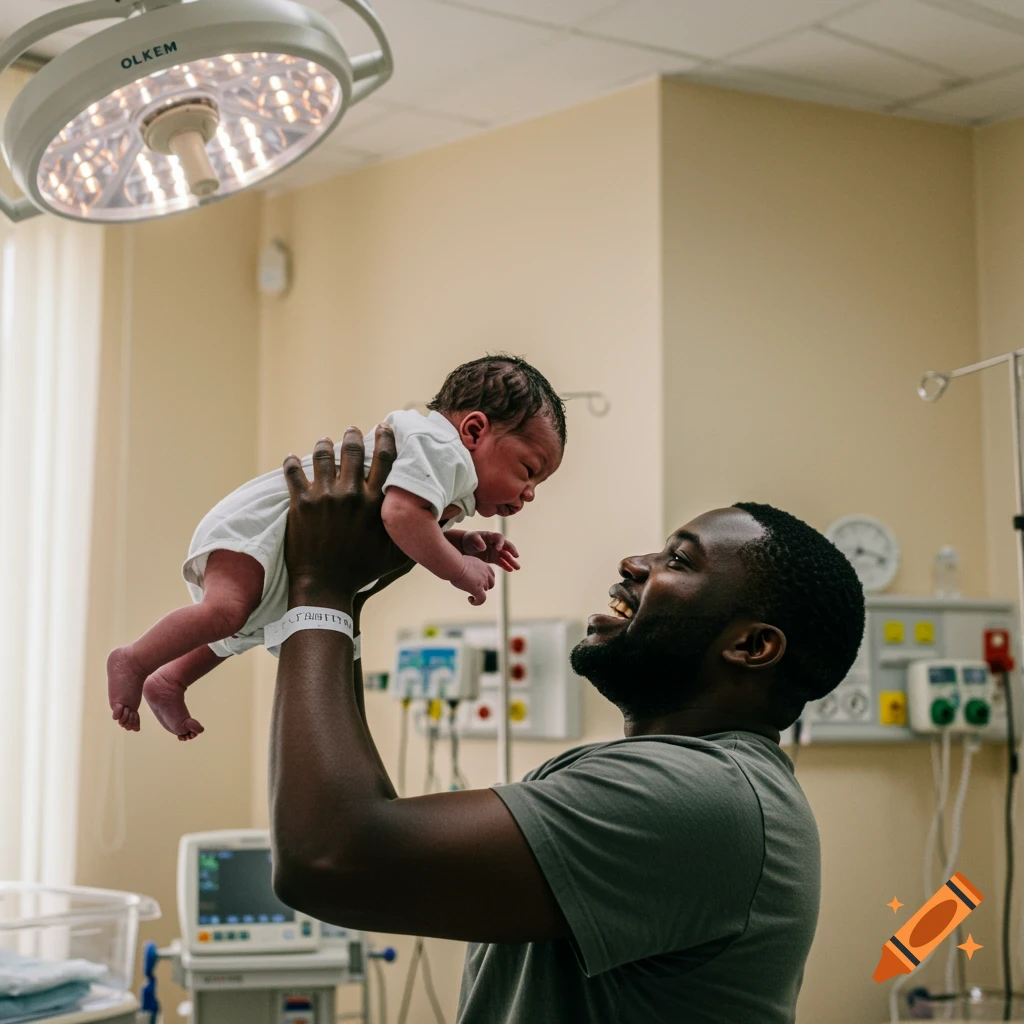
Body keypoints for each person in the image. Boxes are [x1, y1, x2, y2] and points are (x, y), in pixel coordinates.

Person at [268, 426, 866, 1024]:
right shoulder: (670, 778)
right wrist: (347, 599)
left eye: (678, 561)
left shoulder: (705, 797)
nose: (635, 562)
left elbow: (329, 857)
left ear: (752, 645)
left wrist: (322, 585)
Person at [106, 356, 565, 740]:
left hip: (292, 542)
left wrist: (458, 540)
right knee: (227, 611)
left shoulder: (446, 476)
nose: (528, 493)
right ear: (473, 430)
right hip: (264, 523)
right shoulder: (441, 449)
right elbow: (402, 517)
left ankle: (171, 677)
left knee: (241, 623)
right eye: (528, 470)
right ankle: (136, 658)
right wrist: (459, 569)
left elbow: (402, 522)